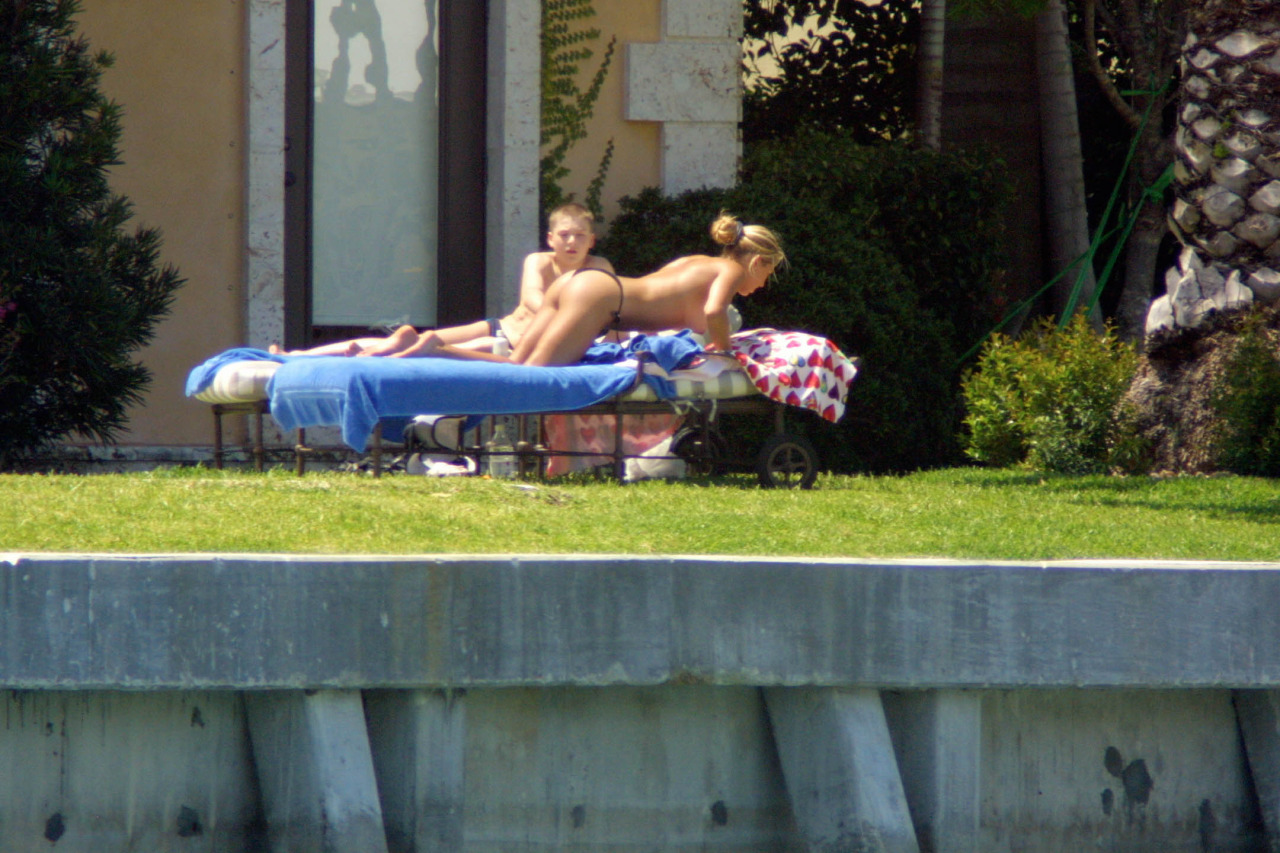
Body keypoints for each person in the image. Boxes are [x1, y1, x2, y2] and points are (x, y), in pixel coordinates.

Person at [270, 202, 614, 357]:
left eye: (579, 236)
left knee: (416, 349)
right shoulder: (539, 261)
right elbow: (532, 299)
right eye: (564, 235)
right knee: (417, 340)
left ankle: (394, 348)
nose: (572, 242)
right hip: (502, 329)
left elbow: (612, 313)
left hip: (513, 346)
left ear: (592, 240)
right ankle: (297, 355)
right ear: (551, 239)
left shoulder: (599, 268)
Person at [509, 212, 784, 366]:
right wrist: (726, 353)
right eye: (767, 275)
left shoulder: (694, 263)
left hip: (581, 284)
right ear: (757, 262)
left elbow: (655, 299)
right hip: (600, 296)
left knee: (514, 366)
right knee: (535, 375)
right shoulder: (732, 270)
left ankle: (474, 371)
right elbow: (715, 311)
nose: (762, 285)